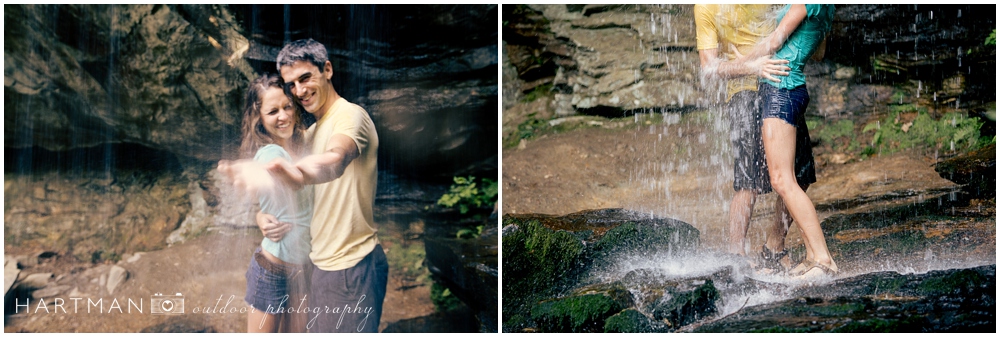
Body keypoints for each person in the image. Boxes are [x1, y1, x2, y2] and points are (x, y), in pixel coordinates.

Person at [221, 38, 387, 332]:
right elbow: (284, 192)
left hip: (348, 265)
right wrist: (261, 213)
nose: (299, 91)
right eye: (292, 84)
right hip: (319, 266)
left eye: (305, 77)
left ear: (327, 69)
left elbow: (336, 158)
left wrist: (295, 174)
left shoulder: (350, 117)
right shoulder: (310, 134)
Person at [693, 5, 817, 272]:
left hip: (779, 85)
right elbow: (708, 67)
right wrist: (751, 66)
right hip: (743, 90)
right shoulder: (705, 6)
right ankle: (736, 254)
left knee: (800, 173)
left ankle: (774, 247)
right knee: (747, 180)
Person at [735, 4, 839, 279]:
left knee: (782, 180)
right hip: (787, 87)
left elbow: (776, 39)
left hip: (781, 90)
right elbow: (818, 52)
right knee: (786, 179)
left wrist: (744, 62)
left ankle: (823, 259)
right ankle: (811, 256)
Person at [237, 74, 313, 332]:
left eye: (287, 106)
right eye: (273, 111)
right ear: (259, 119)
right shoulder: (271, 154)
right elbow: (280, 180)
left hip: (303, 270)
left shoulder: (300, 146)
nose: (283, 116)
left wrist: (261, 214)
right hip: (273, 271)